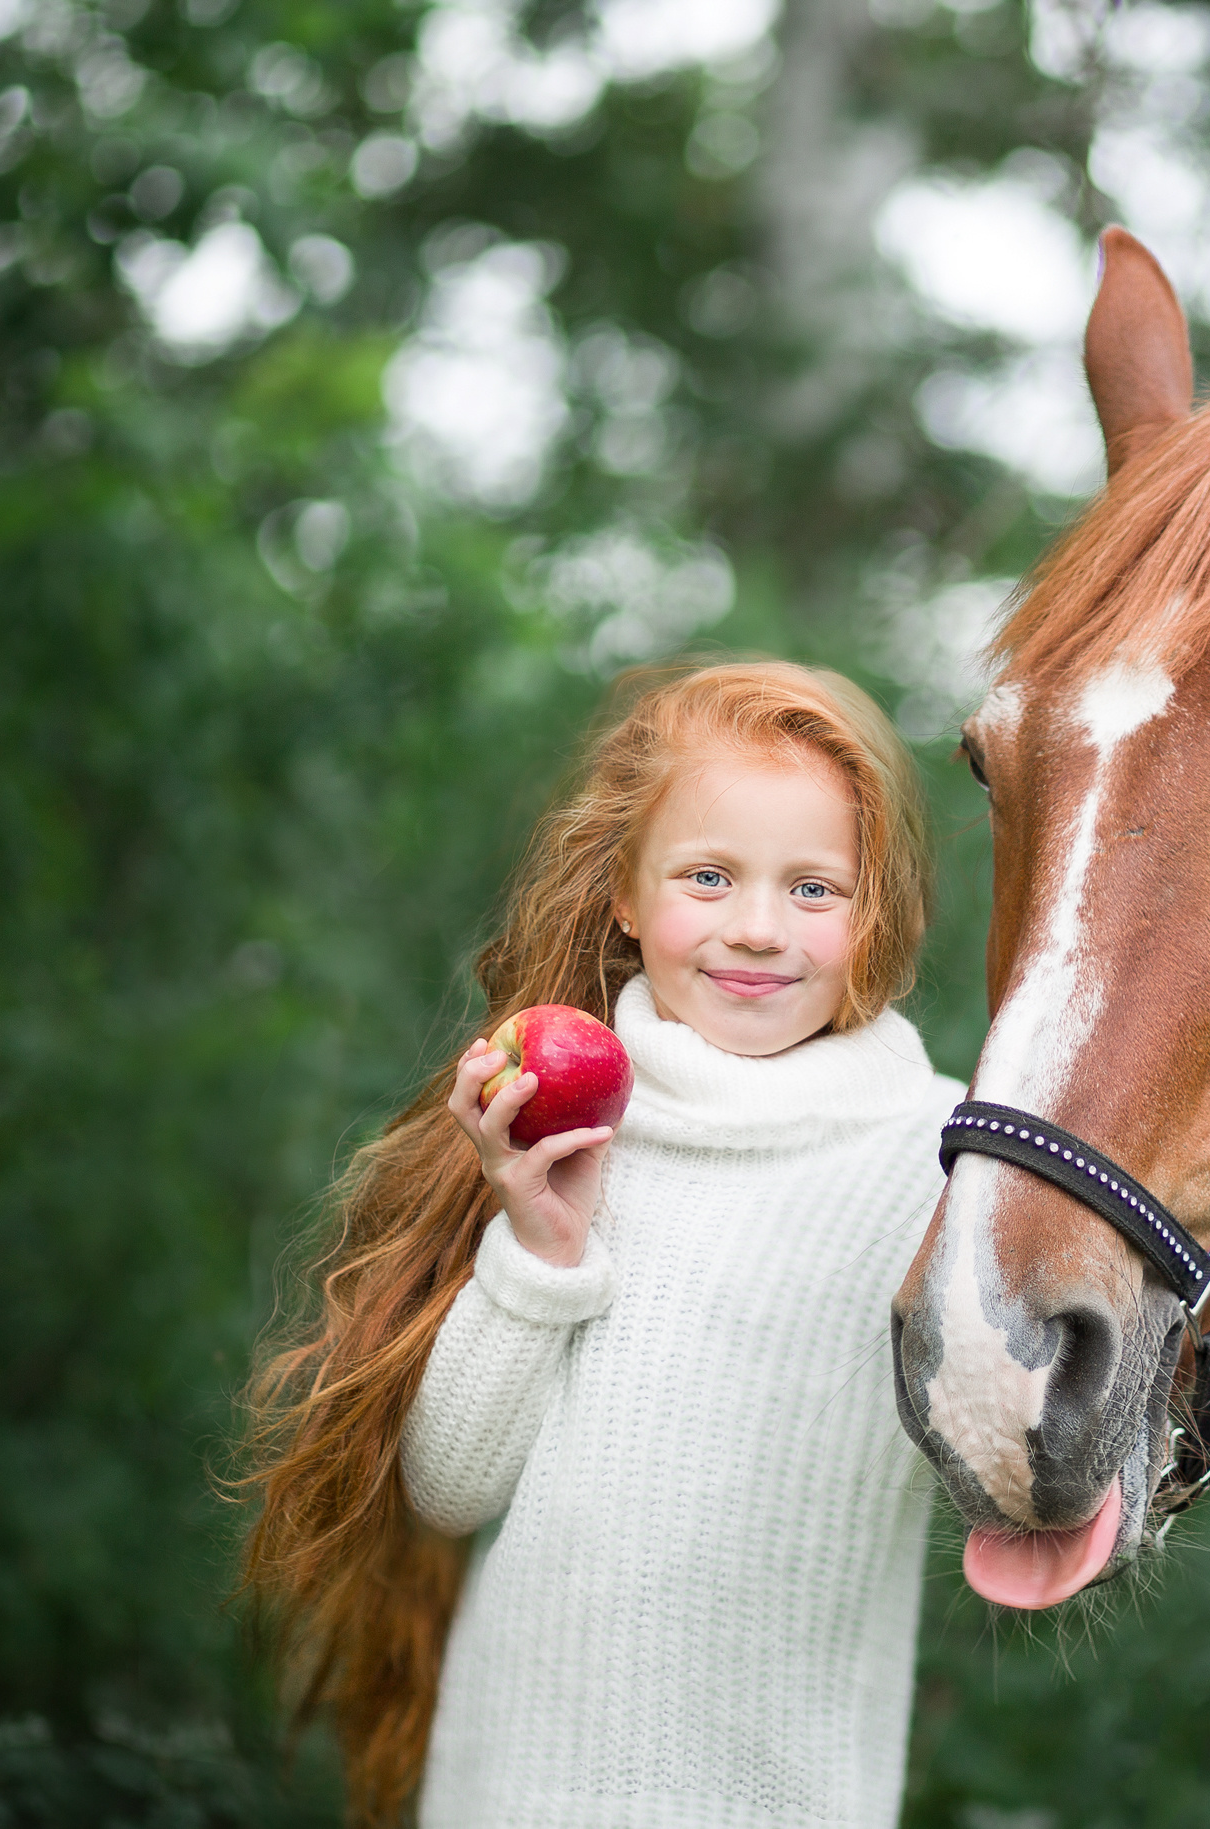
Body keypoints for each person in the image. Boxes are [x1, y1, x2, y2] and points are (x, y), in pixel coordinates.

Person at [241, 660, 960, 1827]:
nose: (758, 929)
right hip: (513, 1791)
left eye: (817, 886)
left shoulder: (944, 1159)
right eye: (710, 876)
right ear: (624, 891)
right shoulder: (566, 1128)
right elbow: (449, 1486)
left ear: (885, 910)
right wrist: (540, 1248)